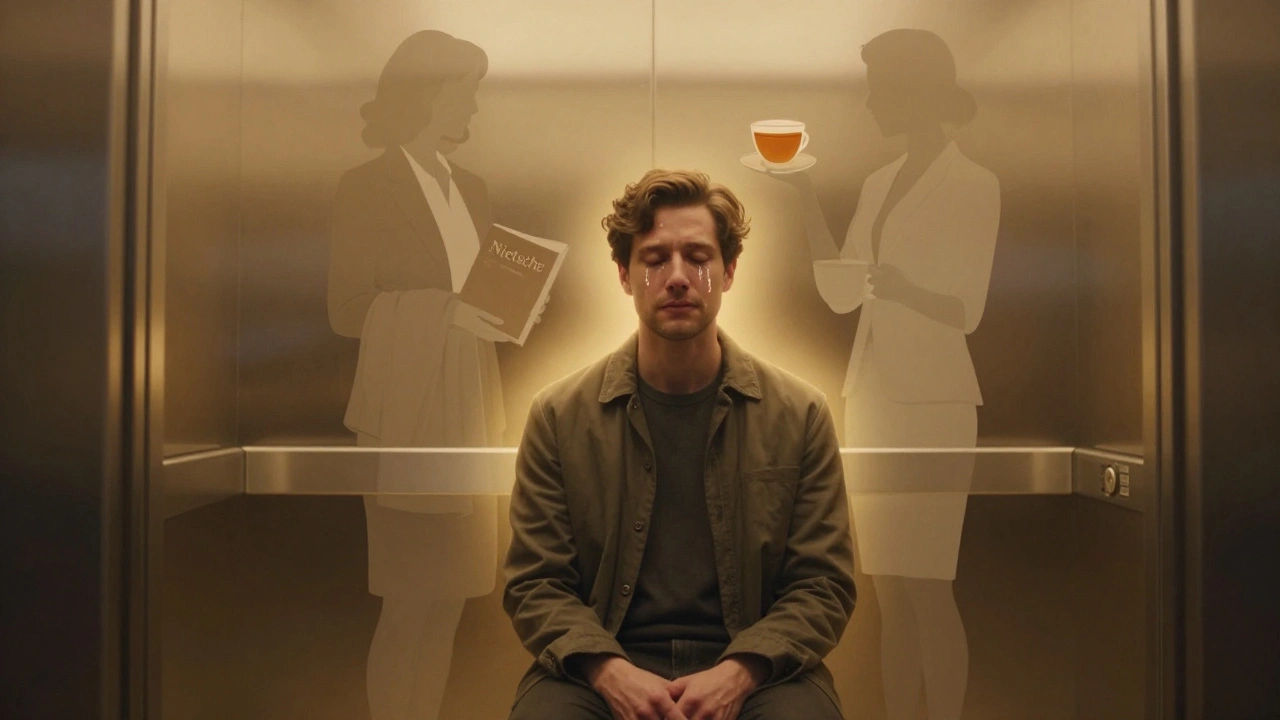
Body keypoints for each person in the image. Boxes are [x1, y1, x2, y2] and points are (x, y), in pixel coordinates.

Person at [502, 169, 856, 720]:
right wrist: (609, 671)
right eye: (654, 258)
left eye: (697, 257)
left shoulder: (800, 413)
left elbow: (822, 584)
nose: (677, 277)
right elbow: (536, 583)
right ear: (623, 274)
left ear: (729, 270)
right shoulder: (558, 415)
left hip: (755, 663)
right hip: (603, 659)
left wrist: (739, 673)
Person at [768, 29, 1001, 720]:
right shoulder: (878, 182)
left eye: (878, 86)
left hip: (935, 400)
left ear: (913, 90)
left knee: (931, 586)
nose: (870, 101)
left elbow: (968, 308)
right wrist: (803, 190)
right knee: (890, 591)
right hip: (872, 398)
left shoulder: (974, 183)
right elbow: (842, 290)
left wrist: (899, 287)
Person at [327, 30, 544, 720]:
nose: (474, 103)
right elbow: (348, 310)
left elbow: (472, 298)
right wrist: (447, 315)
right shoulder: (365, 187)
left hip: (469, 414)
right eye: (466, 89)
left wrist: (504, 313)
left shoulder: (471, 189)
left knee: (449, 601)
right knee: (407, 602)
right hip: (404, 417)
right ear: (430, 92)